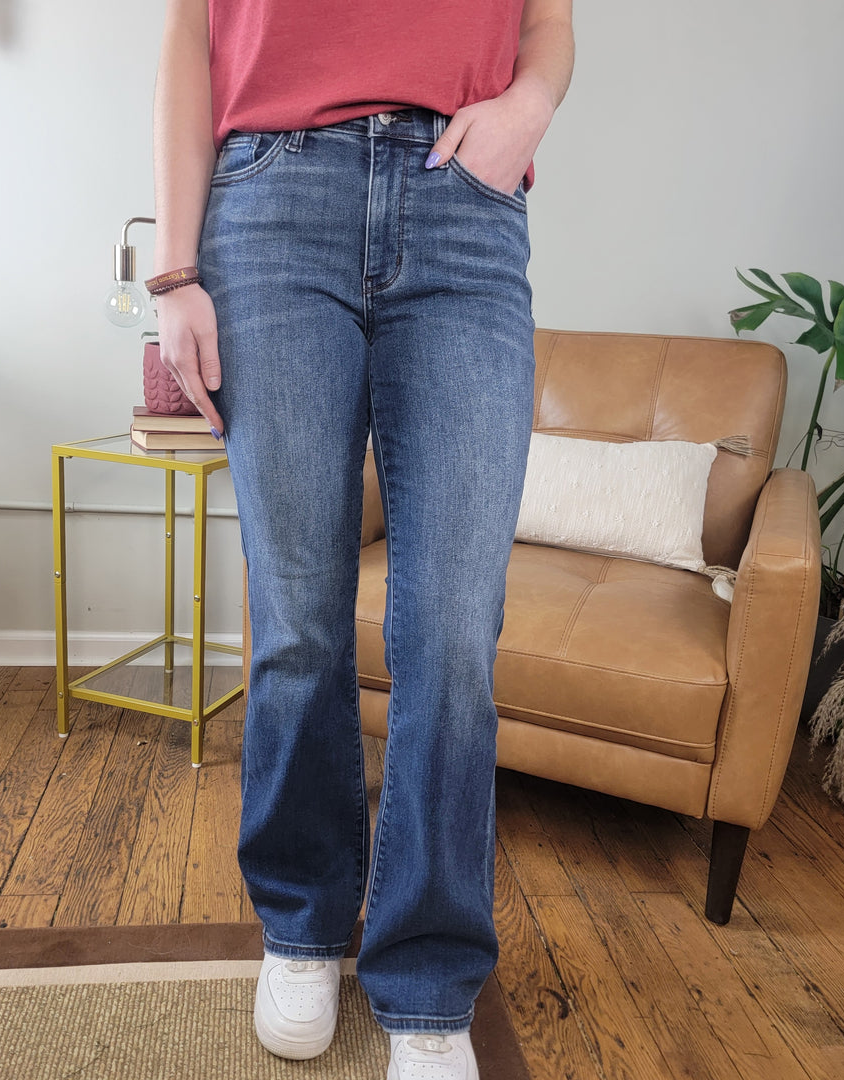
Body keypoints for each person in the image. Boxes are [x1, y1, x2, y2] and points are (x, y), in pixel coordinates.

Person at [152, 3, 574, 1077]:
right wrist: (174, 270)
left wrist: (527, 107)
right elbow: (189, 37)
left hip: (463, 207)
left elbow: (550, 19)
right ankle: (302, 928)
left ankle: (429, 981)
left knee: (453, 634)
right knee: (297, 619)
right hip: (271, 199)